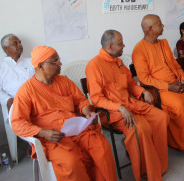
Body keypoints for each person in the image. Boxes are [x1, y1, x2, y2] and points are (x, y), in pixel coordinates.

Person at [11, 46, 117, 181]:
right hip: (53, 137)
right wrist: (43, 133)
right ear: (41, 66)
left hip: (77, 130)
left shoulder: (64, 81)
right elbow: (17, 123)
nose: (60, 63)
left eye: (59, 59)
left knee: (103, 148)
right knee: (71, 163)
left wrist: (88, 112)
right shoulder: (26, 91)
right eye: (55, 61)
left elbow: (81, 101)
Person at [85, 30, 170, 181]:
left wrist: (143, 91)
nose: (124, 46)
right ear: (110, 46)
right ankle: (146, 172)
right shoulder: (94, 65)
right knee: (140, 128)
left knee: (161, 116)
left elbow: (131, 85)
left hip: (131, 105)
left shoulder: (119, 62)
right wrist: (119, 107)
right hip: (112, 113)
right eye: (120, 44)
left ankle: (157, 163)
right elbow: (97, 99)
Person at [132, 14, 184, 158]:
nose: (163, 26)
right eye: (160, 24)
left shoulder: (163, 43)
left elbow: (175, 65)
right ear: (150, 29)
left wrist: (183, 79)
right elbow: (144, 78)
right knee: (182, 105)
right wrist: (169, 87)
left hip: (178, 83)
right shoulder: (139, 50)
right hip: (159, 90)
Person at [0, 34, 35, 111]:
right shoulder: (0, 67)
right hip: (17, 105)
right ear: (6, 48)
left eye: (20, 42)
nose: (20, 45)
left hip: (38, 100)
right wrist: (7, 99)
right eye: (15, 43)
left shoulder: (32, 61)